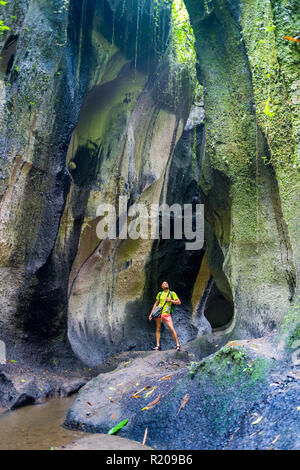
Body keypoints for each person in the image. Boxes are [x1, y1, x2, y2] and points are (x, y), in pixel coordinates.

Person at [149, 281, 181, 351]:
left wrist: (170, 300)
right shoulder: (160, 294)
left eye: (166, 283)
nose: (165, 284)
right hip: (158, 313)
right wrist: (151, 313)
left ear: (168, 285)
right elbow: (156, 303)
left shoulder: (172, 293)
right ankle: (157, 346)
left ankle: (178, 345)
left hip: (166, 314)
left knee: (171, 328)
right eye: (163, 284)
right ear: (162, 286)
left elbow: (179, 302)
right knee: (158, 329)